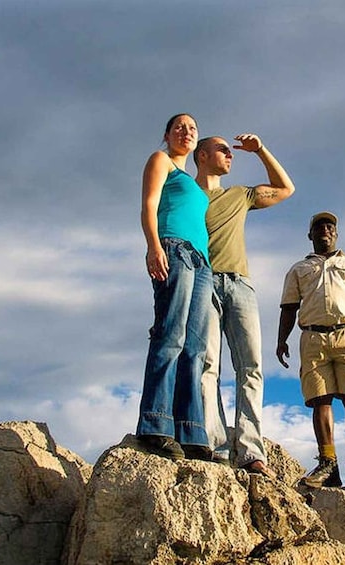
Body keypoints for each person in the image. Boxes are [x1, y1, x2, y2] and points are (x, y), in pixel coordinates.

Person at [194, 133, 295, 475]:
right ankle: (217, 446)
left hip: (240, 284)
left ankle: (251, 451)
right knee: (208, 366)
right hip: (202, 282)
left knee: (250, 366)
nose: (229, 154)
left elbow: (285, 189)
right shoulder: (188, 195)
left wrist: (261, 150)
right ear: (202, 155)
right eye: (222, 149)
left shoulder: (239, 195)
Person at [276, 211, 345, 491]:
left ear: (336, 234)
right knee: (320, 399)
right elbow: (289, 307)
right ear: (310, 235)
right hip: (312, 337)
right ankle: (328, 463)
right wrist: (282, 340)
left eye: (329, 227)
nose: (325, 230)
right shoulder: (298, 269)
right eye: (319, 227)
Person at [136, 113, 213, 461]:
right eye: (180, 127)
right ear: (167, 134)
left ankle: (191, 431)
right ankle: (155, 425)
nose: (187, 131)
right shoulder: (161, 160)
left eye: (192, 128)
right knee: (171, 335)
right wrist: (154, 246)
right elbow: (149, 205)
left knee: (195, 348)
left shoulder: (196, 185)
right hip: (174, 249)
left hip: (202, 263)